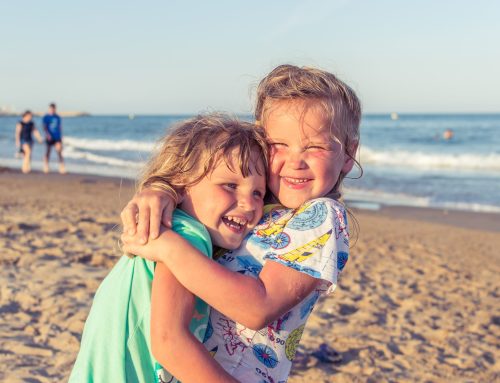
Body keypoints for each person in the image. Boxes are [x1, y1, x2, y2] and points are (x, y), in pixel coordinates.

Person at [121, 64, 361, 382]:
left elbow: (257, 307)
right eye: (279, 145)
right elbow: (203, 185)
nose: (295, 161)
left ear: (348, 153)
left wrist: (167, 246)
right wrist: (161, 190)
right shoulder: (257, 207)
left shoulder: (322, 217)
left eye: (315, 146)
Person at [69, 114, 268, 383]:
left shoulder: (177, 228)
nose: (248, 203)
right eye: (230, 185)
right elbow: (170, 342)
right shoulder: (187, 235)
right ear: (182, 185)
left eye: (258, 193)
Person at [42, 102, 66, 174]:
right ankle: (46, 166)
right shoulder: (46, 117)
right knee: (48, 152)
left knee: (59, 152)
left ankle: (62, 167)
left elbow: (59, 127)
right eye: (51, 109)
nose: (52, 110)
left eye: (53, 109)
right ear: (49, 109)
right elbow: (44, 127)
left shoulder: (57, 117)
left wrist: (61, 136)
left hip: (57, 137)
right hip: (49, 137)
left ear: (55, 109)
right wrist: (47, 134)